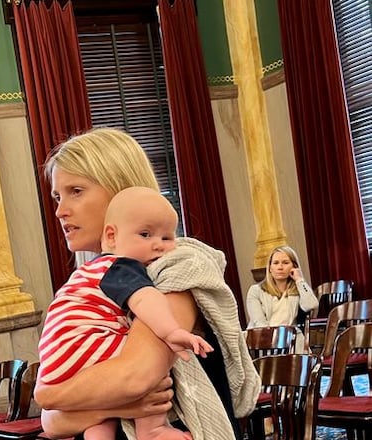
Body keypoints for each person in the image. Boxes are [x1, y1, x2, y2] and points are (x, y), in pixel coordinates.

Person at [36, 128, 260, 440]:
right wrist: (111, 405)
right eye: (58, 196)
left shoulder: (177, 265)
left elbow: (136, 376)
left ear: (120, 190)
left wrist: (49, 393)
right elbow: (52, 422)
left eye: (76, 191)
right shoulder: (98, 278)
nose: (61, 211)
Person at [39, 187, 213, 440]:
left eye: (76, 191)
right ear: (112, 235)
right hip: (85, 343)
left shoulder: (88, 272)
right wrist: (171, 331)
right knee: (153, 372)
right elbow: (145, 300)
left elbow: (51, 409)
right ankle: (152, 431)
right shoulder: (120, 266)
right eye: (146, 235)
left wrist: (56, 395)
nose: (60, 211)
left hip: (58, 358)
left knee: (102, 415)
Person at [246, 246, 318, 350]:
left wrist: (299, 279)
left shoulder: (298, 290)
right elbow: (260, 324)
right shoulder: (255, 291)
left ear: (294, 266)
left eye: (285, 263)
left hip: (291, 341)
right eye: (276, 263)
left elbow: (311, 304)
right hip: (263, 343)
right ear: (270, 268)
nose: (280, 267)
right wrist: (277, 342)